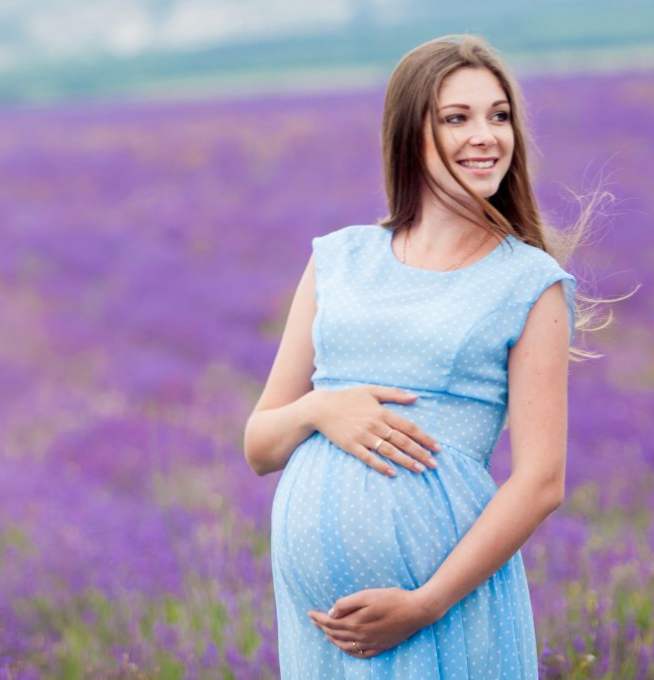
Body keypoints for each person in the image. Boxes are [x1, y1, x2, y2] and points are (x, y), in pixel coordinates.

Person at [243, 33, 612, 678]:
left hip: (443, 613)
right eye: (456, 118)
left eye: (499, 116)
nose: (486, 135)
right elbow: (259, 445)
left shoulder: (529, 283)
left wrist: (424, 602)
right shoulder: (339, 259)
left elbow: (540, 482)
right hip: (322, 637)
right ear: (409, 133)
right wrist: (321, 409)